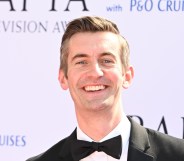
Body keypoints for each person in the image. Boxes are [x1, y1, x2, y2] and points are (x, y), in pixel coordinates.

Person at [26, 16, 184, 161]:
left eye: (106, 60)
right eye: (81, 62)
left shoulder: (178, 154)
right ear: (63, 78)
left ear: (127, 76)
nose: (95, 72)